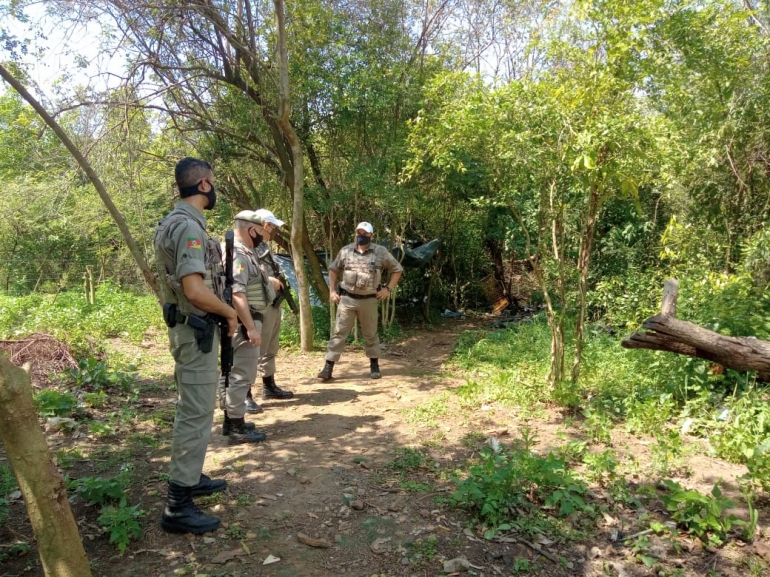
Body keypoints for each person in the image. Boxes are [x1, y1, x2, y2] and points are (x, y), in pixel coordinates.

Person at [153, 157, 237, 535]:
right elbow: (194, 290)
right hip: (195, 330)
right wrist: (229, 313)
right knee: (196, 412)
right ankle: (177, 505)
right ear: (203, 184)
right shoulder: (188, 227)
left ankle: (191, 478)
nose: (214, 187)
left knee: (197, 410)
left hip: (190, 329)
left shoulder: (173, 222)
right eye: (213, 181)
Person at [317, 221, 403, 381]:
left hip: (369, 300)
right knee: (339, 333)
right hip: (347, 299)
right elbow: (333, 269)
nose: (360, 236)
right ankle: (328, 367)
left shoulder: (380, 252)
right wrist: (332, 290)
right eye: (359, 233)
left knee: (370, 335)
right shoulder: (346, 251)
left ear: (371, 235)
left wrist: (388, 289)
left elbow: (397, 270)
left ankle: (374, 365)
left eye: (364, 234)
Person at [216, 210, 272, 444]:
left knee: (233, 373)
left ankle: (232, 420)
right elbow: (238, 294)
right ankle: (236, 425)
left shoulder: (244, 253)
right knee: (241, 374)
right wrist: (251, 327)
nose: (262, 236)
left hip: (242, 320)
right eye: (260, 231)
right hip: (242, 322)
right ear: (252, 230)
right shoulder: (239, 254)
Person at [244, 208, 294, 414]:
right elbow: (246, 273)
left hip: (272, 302)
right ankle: (245, 394)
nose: (273, 230)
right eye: (272, 226)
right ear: (263, 225)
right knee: (252, 351)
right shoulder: (246, 247)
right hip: (256, 304)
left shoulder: (263, 246)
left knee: (270, 346)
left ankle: (269, 385)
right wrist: (267, 279)